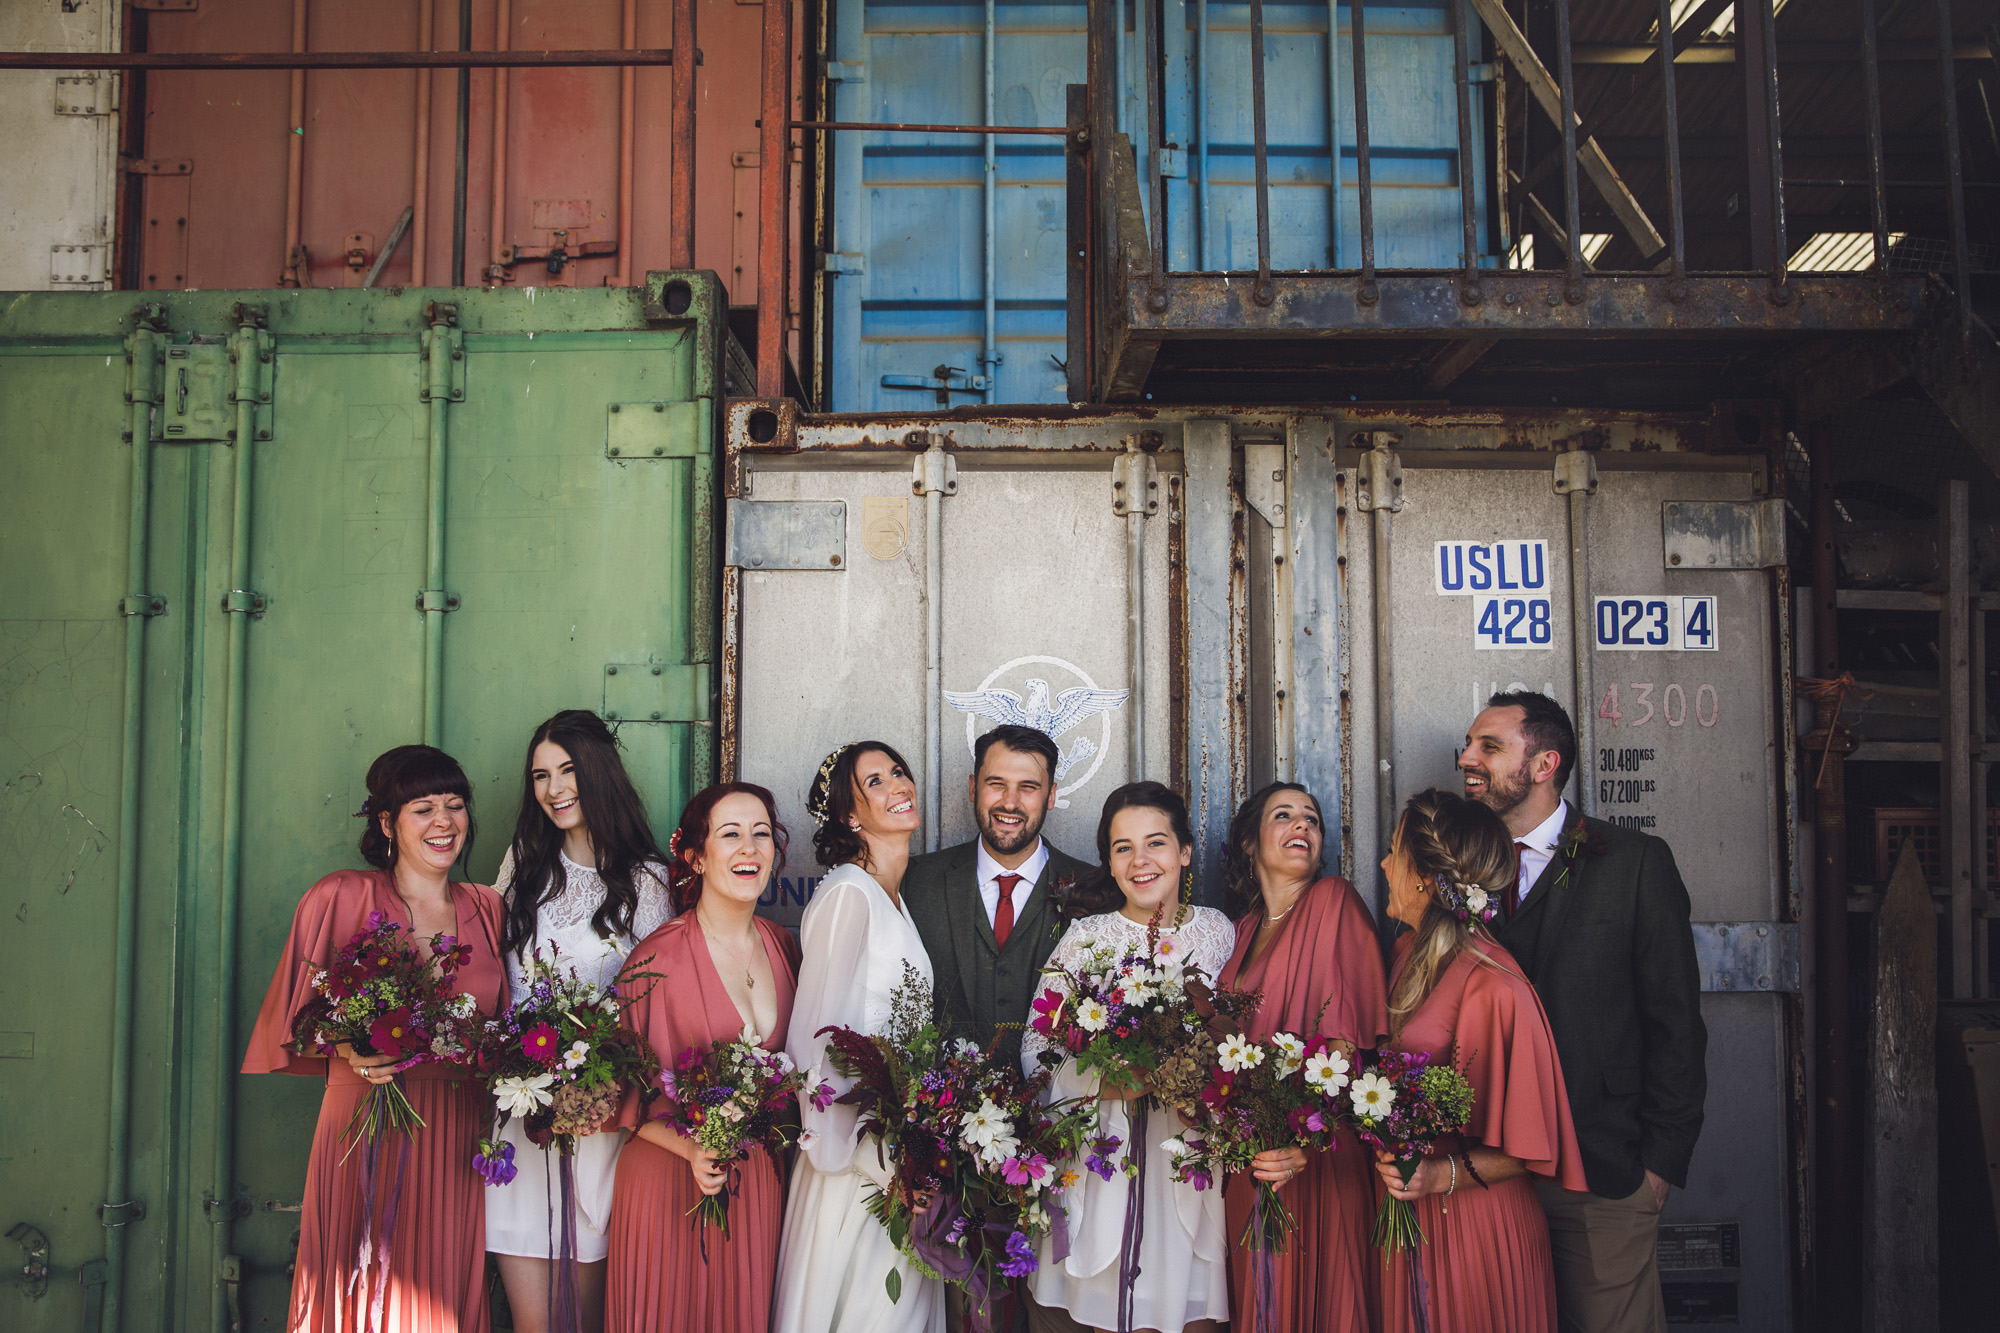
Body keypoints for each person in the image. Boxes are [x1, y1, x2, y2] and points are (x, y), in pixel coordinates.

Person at [1463, 690, 1706, 1333]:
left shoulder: (1634, 862)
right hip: (1480, 1170)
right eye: (1470, 745)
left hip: (1601, 1168)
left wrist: (1660, 1165)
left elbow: (1675, 1023)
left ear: (1544, 765)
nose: (1466, 758)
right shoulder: (1451, 867)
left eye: (1489, 747)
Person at [242, 744, 507, 1333]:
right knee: (358, 1281)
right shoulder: (340, 896)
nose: (444, 822)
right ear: (387, 823)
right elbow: (295, 1024)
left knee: (438, 1294)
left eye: (456, 806)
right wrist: (347, 1047)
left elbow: (502, 1028)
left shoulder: (488, 907)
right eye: (423, 808)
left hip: (458, 1127)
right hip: (366, 1118)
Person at [1369, 788, 1589, 1332]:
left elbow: (1533, 1148)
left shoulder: (1493, 985)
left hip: (1472, 1226)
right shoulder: (1403, 957)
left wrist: (1438, 1175)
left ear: (1421, 877)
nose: (1382, 864)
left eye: (1393, 851)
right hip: (1410, 1216)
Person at [1020, 782, 1234, 1333]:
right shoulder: (1086, 938)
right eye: (1122, 848)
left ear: (1185, 852)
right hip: (1105, 1159)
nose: (1141, 861)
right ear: (1110, 865)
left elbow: (1239, 1039)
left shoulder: (1219, 933)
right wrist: (1104, 1081)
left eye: (1156, 843)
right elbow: (1035, 1045)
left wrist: (1200, 1079)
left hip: (1184, 1158)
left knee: (1185, 1307)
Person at [488, 711, 675, 1333]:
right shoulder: (523, 864)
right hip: (518, 1114)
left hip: (596, 1113)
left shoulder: (646, 881)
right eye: (540, 775)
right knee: (533, 1323)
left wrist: (598, 1074)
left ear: (598, 773)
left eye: (567, 770)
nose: (554, 787)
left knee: (586, 1316)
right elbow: (496, 976)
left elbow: (654, 1006)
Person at [606, 782, 802, 1333]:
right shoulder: (657, 959)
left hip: (755, 1179)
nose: (750, 848)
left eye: (761, 834)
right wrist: (691, 1149)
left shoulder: (783, 945)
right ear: (696, 856)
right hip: (672, 1179)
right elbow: (622, 1093)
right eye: (731, 834)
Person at [773, 742, 944, 1333]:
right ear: (850, 816)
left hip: (901, 1159)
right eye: (875, 782)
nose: (898, 785)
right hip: (856, 1169)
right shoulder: (849, 892)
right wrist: (880, 1162)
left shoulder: (893, 898)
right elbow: (814, 1044)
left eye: (898, 771)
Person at [1215, 782, 1388, 1333]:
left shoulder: (1333, 900)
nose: (1302, 827)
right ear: (1248, 842)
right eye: (1284, 816)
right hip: (1252, 1161)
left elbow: (1347, 1047)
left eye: (1311, 820)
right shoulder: (1240, 932)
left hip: (1316, 1155)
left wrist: (1304, 1143)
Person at [905, 724, 1091, 1067]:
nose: (1010, 802)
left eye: (1028, 788)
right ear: (974, 788)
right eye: (996, 784)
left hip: (1060, 1110)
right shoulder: (916, 881)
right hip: (941, 1111)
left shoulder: (1094, 890)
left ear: (1050, 796)